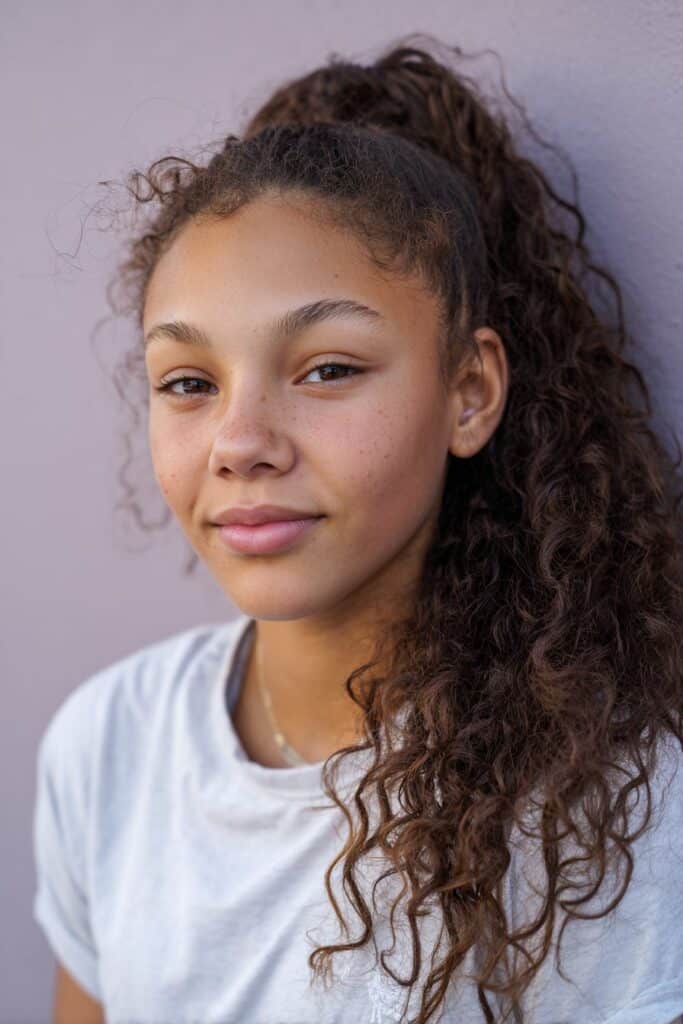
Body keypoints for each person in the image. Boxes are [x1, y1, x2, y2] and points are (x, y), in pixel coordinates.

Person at [32, 32, 683, 1024]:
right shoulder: (104, 746)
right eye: (189, 382)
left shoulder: (603, 806)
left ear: (469, 391)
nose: (238, 442)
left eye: (327, 367)